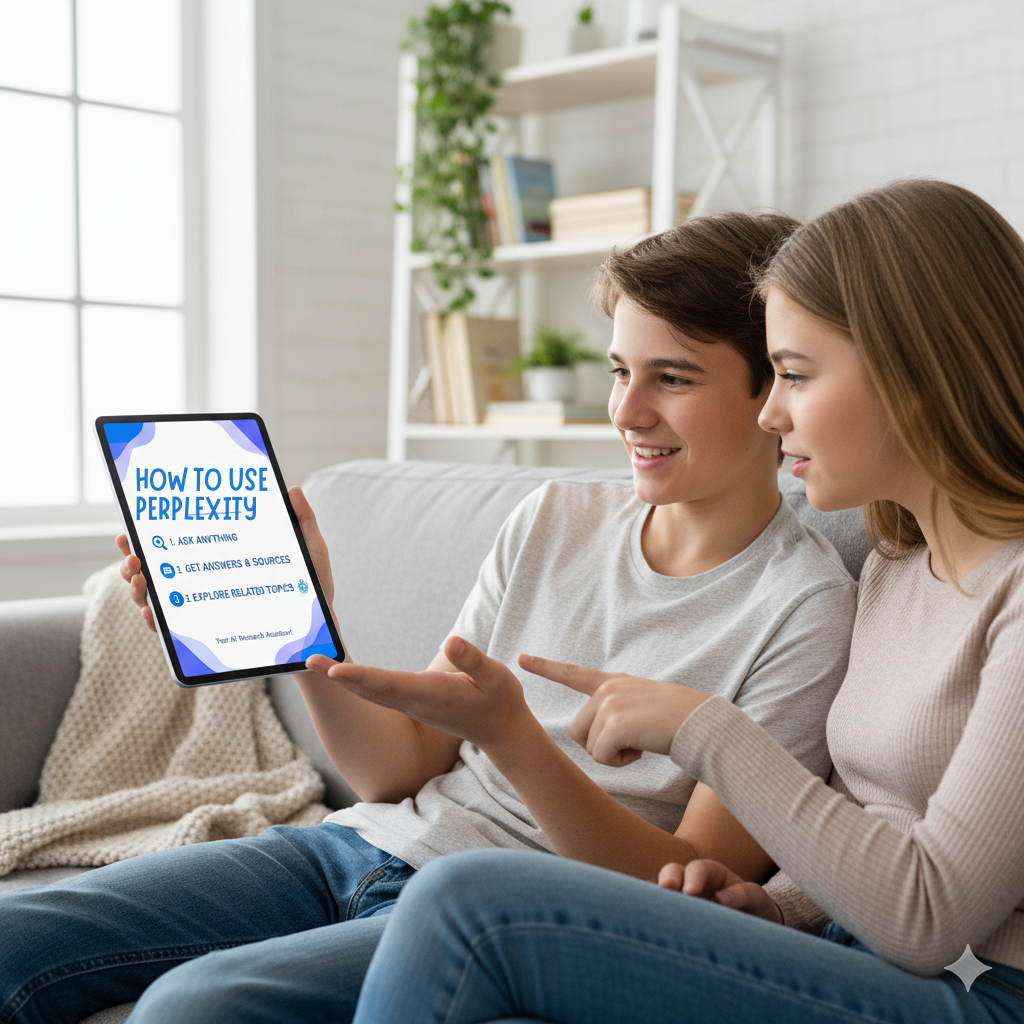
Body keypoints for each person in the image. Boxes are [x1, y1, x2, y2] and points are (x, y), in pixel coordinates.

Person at [0, 213, 859, 1024]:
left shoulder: (805, 608)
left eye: (671, 377)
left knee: (194, 1008)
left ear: (773, 389)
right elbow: (396, 776)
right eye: (619, 371)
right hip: (360, 847)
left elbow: (676, 897)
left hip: (500, 919)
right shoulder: (553, 519)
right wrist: (305, 623)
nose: (627, 412)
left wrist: (517, 738)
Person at [346, 179, 1024, 1024]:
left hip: (989, 996)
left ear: (916, 375)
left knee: (470, 904)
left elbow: (928, 915)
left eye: (795, 376)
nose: (771, 413)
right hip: (868, 958)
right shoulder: (895, 569)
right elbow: (871, 824)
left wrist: (703, 730)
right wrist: (774, 908)